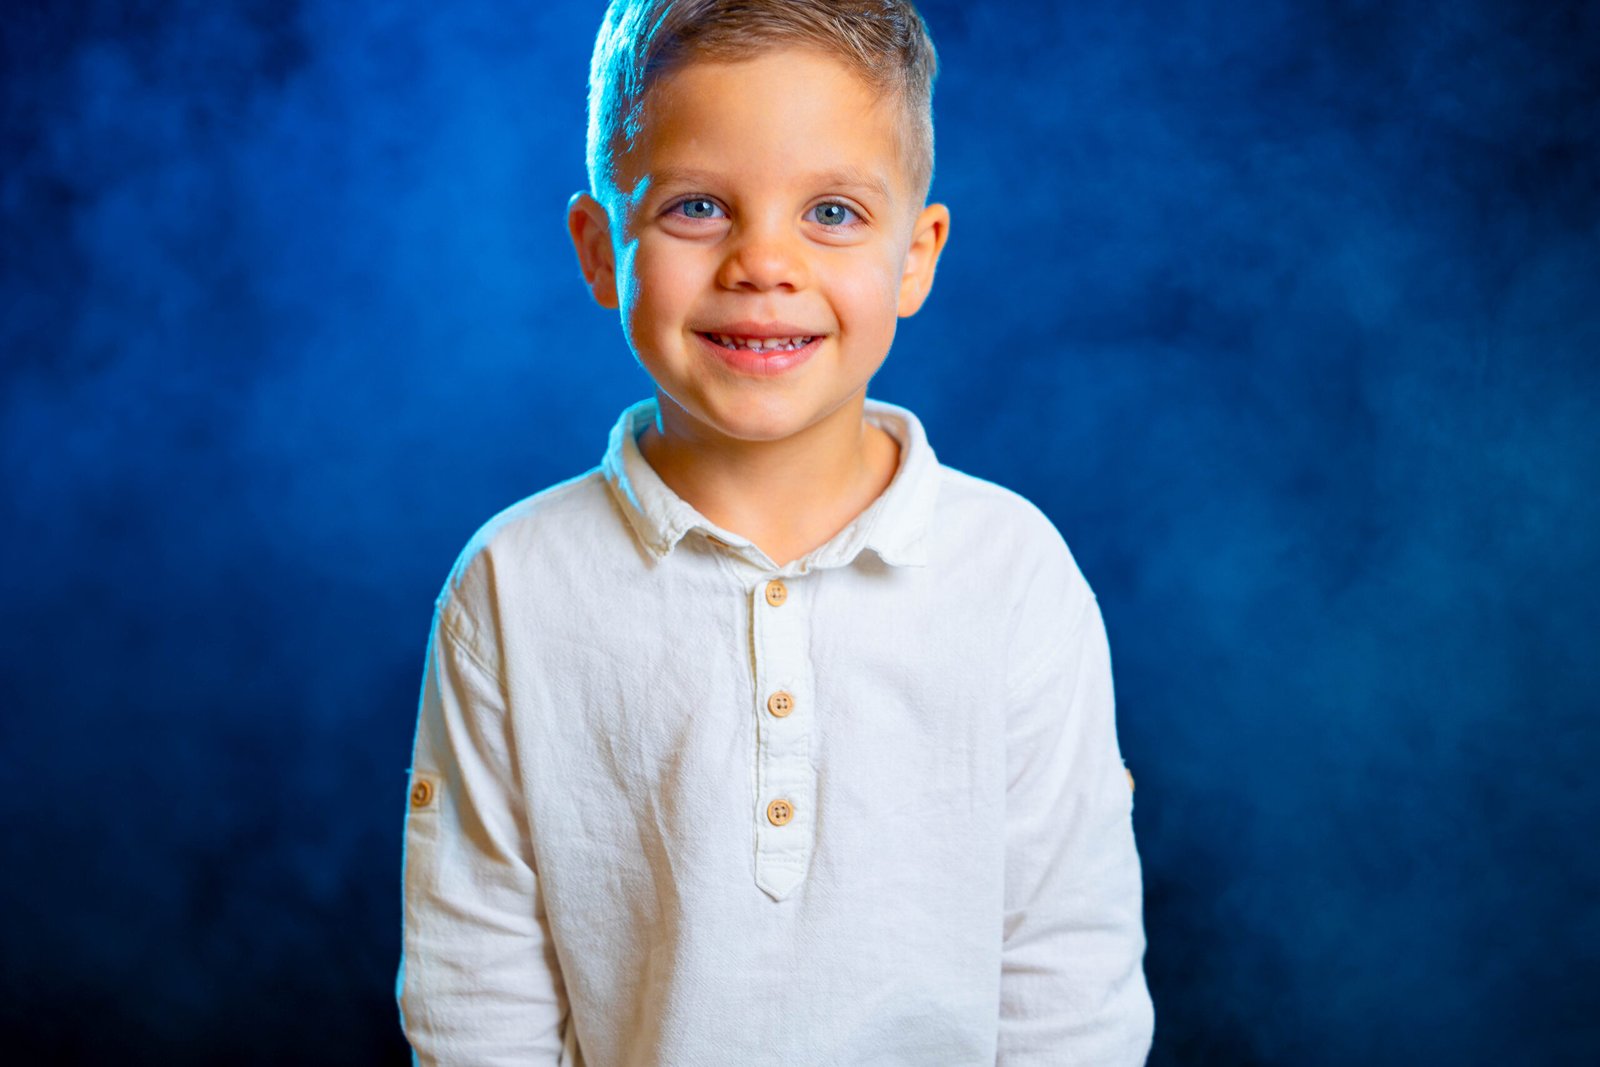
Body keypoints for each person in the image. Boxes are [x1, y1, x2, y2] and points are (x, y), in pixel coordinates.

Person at [396, 0, 1154, 1062]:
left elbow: (1069, 983)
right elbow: (477, 994)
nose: (763, 262)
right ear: (601, 250)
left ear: (916, 255)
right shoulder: (512, 585)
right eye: (698, 206)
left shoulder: (1013, 572)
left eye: (832, 212)